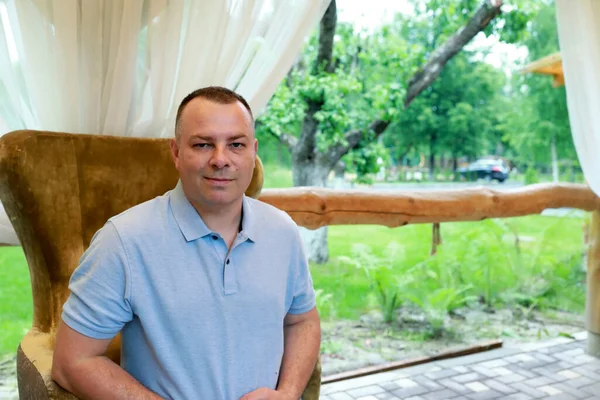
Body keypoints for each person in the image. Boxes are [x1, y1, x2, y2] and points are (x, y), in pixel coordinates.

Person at [51, 86, 321, 400]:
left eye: (236, 144)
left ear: (253, 151)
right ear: (176, 153)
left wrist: (287, 394)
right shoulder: (123, 240)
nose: (221, 160)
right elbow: (72, 361)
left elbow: (303, 321)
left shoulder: (282, 231)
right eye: (203, 144)